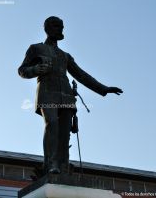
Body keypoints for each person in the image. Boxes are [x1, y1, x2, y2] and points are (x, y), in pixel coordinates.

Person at [18, 16, 123, 174]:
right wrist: (35, 70)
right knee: (51, 124)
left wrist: (104, 88)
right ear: (47, 28)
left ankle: (63, 165)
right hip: (47, 94)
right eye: (56, 26)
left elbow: (81, 75)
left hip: (66, 96)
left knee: (65, 132)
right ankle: (51, 164)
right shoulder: (36, 48)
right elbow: (22, 70)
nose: (60, 29)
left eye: (61, 26)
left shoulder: (65, 55)